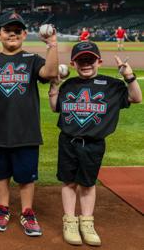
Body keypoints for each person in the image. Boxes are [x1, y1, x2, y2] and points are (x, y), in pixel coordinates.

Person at [0, 11, 59, 236]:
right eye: (8, 31)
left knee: (26, 175)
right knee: (1, 174)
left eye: (17, 31)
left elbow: (50, 72)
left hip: (26, 131)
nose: (12, 34)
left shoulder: (32, 60)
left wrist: (52, 45)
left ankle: (27, 212)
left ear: (24, 34)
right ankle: (3, 208)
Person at [48, 42, 141, 246]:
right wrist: (54, 86)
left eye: (90, 59)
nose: (86, 64)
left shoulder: (112, 85)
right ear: (73, 63)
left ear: (99, 61)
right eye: (81, 60)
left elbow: (136, 98)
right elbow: (56, 108)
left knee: (88, 184)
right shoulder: (69, 85)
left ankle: (87, 223)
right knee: (69, 182)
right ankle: (70, 221)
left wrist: (129, 76)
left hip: (93, 144)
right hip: (68, 141)